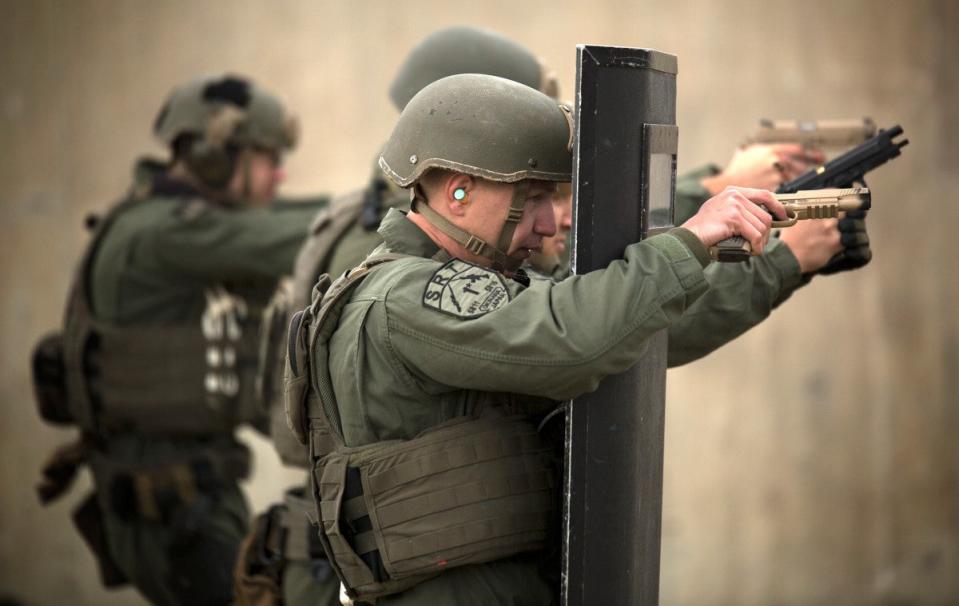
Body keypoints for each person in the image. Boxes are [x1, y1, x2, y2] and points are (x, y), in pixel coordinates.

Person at [287, 73, 862, 604]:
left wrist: (781, 263)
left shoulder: (473, 288)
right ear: (458, 191)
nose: (548, 222)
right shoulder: (405, 295)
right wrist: (692, 240)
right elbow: (571, 338)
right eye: (532, 198)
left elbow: (631, 325)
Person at [33, 74, 326, 606]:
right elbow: (299, 234)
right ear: (217, 156)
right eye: (267, 158)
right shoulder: (165, 233)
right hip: (178, 515)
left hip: (176, 503)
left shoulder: (147, 219)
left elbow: (285, 218)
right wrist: (402, 203)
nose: (279, 174)